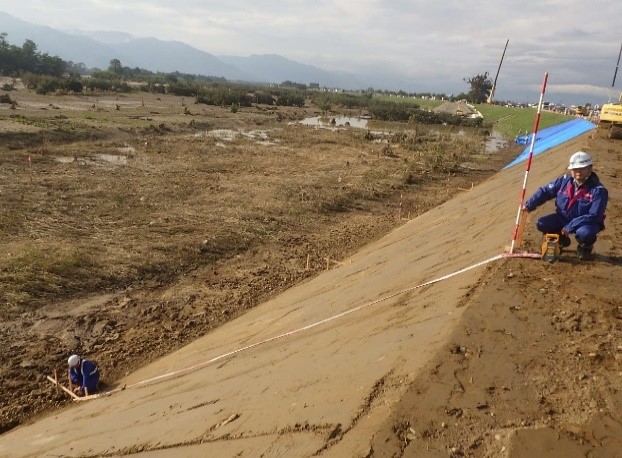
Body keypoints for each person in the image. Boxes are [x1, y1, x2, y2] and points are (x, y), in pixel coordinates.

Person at [523, 151, 608, 260]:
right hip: (563, 218)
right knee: (541, 223)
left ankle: (585, 247)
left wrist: (571, 226)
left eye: (582, 168)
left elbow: (594, 215)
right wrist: (529, 205)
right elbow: (545, 192)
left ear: (590, 169)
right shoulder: (564, 181)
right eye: (575, 169)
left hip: (585, 223)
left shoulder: (598, 190)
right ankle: (561, 239)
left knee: (586, 233)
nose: (579, 172)